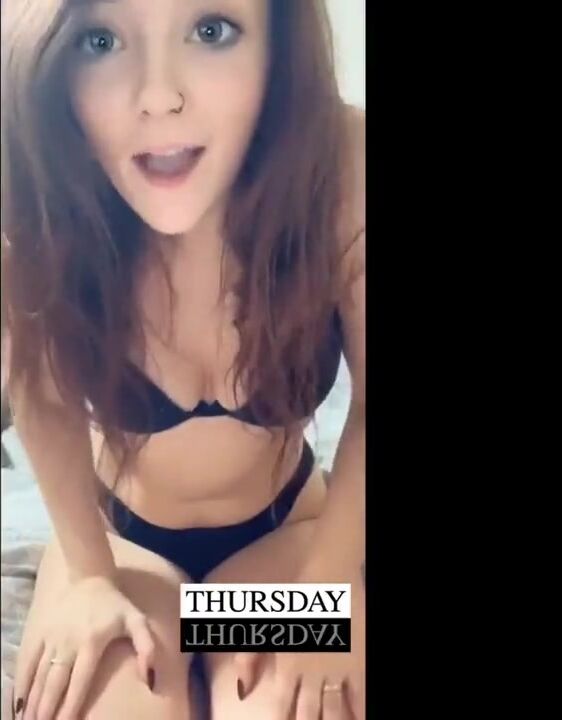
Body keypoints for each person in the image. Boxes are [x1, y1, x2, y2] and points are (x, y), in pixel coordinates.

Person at [1, 0, 365, 717]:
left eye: (211, 30)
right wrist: (89, 577)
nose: (159, 96)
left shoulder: (338, 167)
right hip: (115, 549)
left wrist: (332, 581)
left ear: (276, 41)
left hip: (288, 543)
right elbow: (38, 393)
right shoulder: (37, 182)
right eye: (100, 40)